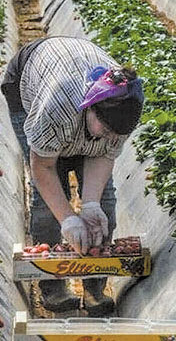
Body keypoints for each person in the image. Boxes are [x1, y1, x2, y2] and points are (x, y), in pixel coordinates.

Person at [1, 37, 144, 315]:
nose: (111, 138)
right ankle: (52, 288)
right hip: (27, 84)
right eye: (105, 130)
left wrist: (89, 205)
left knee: (104, 203)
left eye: (117, 134)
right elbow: (43, 167)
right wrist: (67, 218)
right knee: (50, 202)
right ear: (91, 106)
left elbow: (103, 154)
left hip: (72, 81)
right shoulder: (58, 107)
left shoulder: (125, 109)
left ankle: (94, 287)